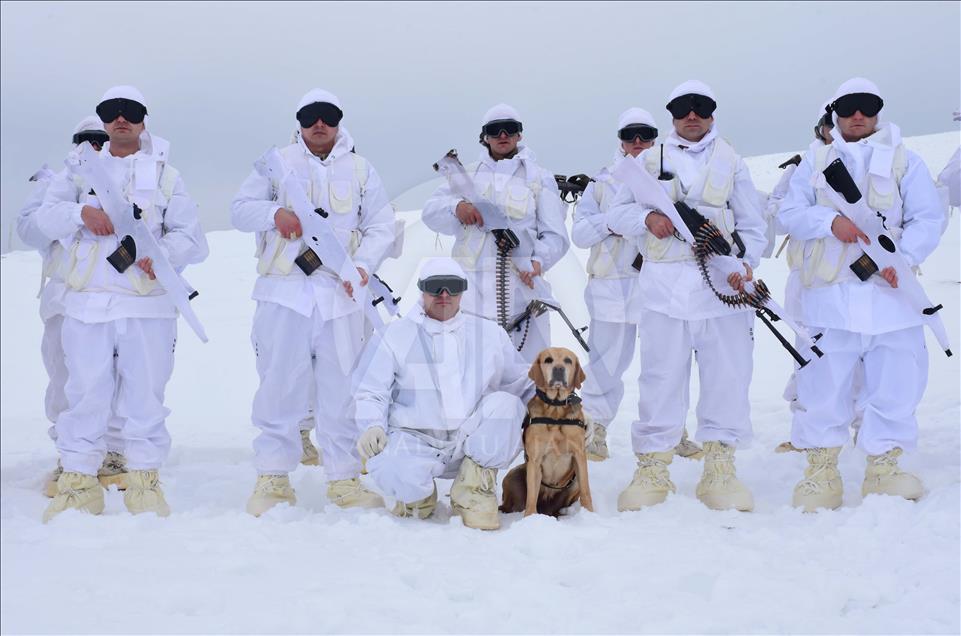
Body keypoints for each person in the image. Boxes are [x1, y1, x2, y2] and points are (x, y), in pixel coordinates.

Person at [35, 85, 209, 521]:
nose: (120, 119)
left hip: (147, 307)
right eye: (111, 112)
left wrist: (164, 256)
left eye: (129, 112)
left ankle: (145, 483)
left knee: (145, 397)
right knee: (84, 393)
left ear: (143, 120)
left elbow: (191, 237)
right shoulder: (78, 172)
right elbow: (46, 216)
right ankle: (77, 484)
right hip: (88, 305)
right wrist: (81, 214)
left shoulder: (167, 176)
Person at [777, 77, 945, 512]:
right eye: (849, 107)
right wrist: (830, 224)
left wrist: (902, 258)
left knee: (896, 381)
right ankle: (821, 469)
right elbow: (790, 214)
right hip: (830, 299)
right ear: (835, 112)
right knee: (823, 384)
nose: (858, 116)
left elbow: (928, 217)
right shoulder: (815, 163)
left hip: (892, 296)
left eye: (867, 107)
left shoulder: (907, 161)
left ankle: (884, 466)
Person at [231, 88, 394, 516]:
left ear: (339, 121)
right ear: (299, 121)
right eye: (309, 116)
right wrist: (273, 215)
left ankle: (345, 479)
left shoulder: (361, 169)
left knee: (343, 389)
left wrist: (362, 266)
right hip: (284, 295)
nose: (318, 124)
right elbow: (240, 209)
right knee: (279, 385)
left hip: (340, 298)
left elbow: (380, 225)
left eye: (327, 116)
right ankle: (273, 478)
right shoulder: (277, 165)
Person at [607, 80, 767, 513]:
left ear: (712, 113)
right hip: (664, 289)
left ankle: (719, 467)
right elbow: (616, 214)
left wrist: (747, 264)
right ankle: (653, 467)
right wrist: (648, 217)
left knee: (727, 376)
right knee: (659, 377)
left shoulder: (733, 161)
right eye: (682, 108)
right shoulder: (645, 161)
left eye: (701, 107)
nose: (692, 115)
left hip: (720, 288)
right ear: (672, 115)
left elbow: (752, 223)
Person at [352, 257, 533, 530]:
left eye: (453, 287)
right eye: (436, 287)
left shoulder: (489, 333)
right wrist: (371, 426)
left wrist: (570, 407)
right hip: (414, 440)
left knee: (508, 405)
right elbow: (370, 390)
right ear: (422, 290)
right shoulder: (394, 335)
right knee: (389, 466)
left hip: (471, 440)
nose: (444, 295)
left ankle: (473, 488)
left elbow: (522, 382)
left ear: (463, 291)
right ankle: (418, 496)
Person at [571, 107, 702, 462]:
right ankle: (594, 429)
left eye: (646, 134)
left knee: (668, 362)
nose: (639, 142)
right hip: (612, 287)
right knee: (605, 364)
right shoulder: (601, 184)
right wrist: (615, 224)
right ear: (620, 141)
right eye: (631, 136)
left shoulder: (671, 175)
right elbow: (580, 233)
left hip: (659, 285)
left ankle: (673, 430)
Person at [18, 116, 130, 497]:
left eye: (99, 139)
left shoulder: (131, 179)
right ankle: (71, 455)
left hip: (118, 298)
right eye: (86, 139)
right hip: (65, 299)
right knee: (66, 378)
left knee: (118, 376)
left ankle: (114, 452)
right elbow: (30, 230)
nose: (93, 146)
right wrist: (74, 212)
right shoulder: (56, 184)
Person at [422, 104, 568, 362]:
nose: (503, 135)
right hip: (472, 291)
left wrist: (538, 262)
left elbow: (555, 234)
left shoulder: (538, 177)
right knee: (474, 370)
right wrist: (457, 207)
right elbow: (430, 213)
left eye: (510, 129)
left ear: (519, 135)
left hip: (521, 290)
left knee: (528, 373)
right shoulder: (464, 175)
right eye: (494, 130)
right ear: (485, 136)